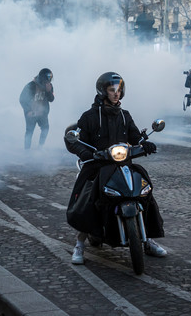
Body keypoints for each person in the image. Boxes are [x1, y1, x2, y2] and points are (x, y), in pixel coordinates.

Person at [65, 72, 166, 265]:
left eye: (119, 90)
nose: (116, 94)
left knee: (145, 189)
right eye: (112, 90)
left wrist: (145, 144)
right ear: (103, 91)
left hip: (122, 163)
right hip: (98, 165)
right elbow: (75, 139)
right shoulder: (89, 116)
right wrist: (86, 153)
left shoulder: (124, 115)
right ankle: (79, 243)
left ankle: (148, 239)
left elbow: (135, 137)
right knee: (89, 197)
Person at [19, 68, 54, 149]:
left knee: (45, 128)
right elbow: (22, 99)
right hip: (32, 113)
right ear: (42, 78)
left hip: (42, 113)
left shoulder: (49, 86)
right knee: (29, 132)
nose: (48, 81)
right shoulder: (31, 85)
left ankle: (40, 148)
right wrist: (28, 111)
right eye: (47, 79)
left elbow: (51, 99)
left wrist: (49, 91)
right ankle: (27, 151)